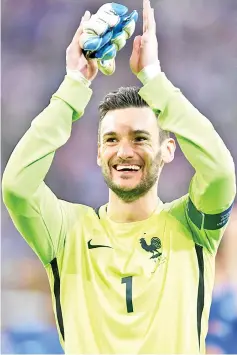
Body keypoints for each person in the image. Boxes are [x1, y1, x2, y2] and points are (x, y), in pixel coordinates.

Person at [2, 0, 236, 353]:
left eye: (140, 138)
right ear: (99, 153)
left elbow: (219, 172)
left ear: (168, 150)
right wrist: (74, 85)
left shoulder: (192, 226)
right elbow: (17, 186)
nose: (124, 151)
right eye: (111, 139)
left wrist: (154, 78)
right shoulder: (68, 231)